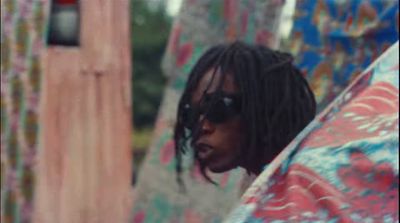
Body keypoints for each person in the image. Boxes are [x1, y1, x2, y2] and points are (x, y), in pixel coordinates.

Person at [174, 41, 316, 184]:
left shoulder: (310, 188)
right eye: (190, 115)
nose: (201, 127)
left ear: (264, 105)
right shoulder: (272, 191)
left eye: (217, 108)